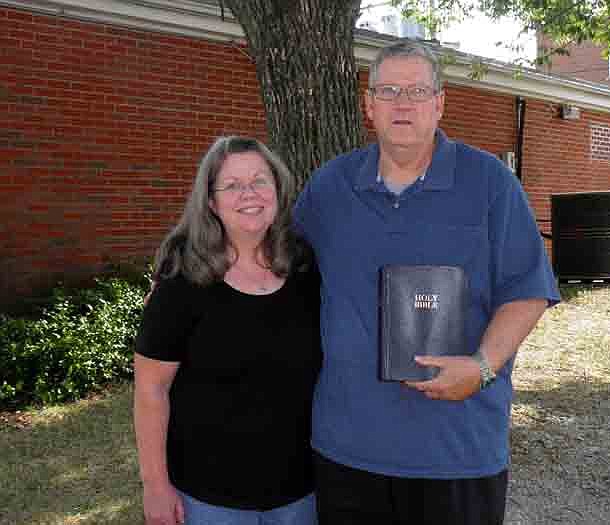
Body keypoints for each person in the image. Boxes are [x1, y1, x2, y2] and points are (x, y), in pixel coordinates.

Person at [293, 41, 561, 525]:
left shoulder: (491, 184)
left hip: (457, 450)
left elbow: (528, 290)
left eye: (417, 90)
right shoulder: (330, 188)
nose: (403, 103)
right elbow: (274, 266)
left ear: (439, 103)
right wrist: (189, 275)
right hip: (347, 449)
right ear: (368, 104)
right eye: (388, 90)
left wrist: (482, 366)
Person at [133, 136, 321, 525]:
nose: (248, 194)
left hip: (301, 493)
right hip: (208, 498)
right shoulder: (182, 278)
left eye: (259, 181)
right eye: (232, 185)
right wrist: (155, 485)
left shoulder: (306, 268)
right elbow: (151, 389)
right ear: (212, 203)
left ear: (279, 189)